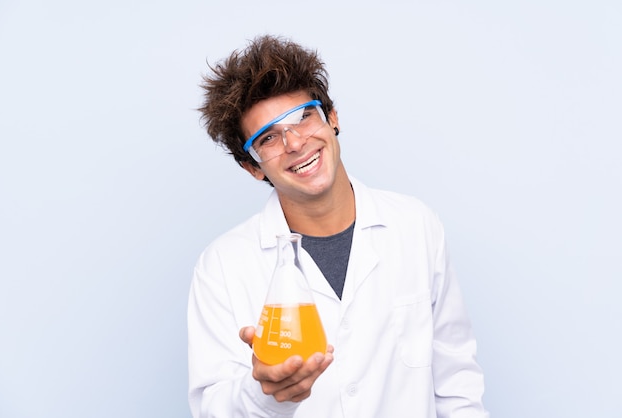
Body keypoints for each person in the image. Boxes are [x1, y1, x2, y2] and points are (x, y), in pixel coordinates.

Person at [188, 34, 489, 418]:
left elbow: (457, 385)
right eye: (268, 138)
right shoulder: (222, 267)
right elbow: (214, 409)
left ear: (332, 118)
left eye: (303, 117)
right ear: (252, 167)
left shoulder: (415, 226)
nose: (295, 143)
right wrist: (265, 393)